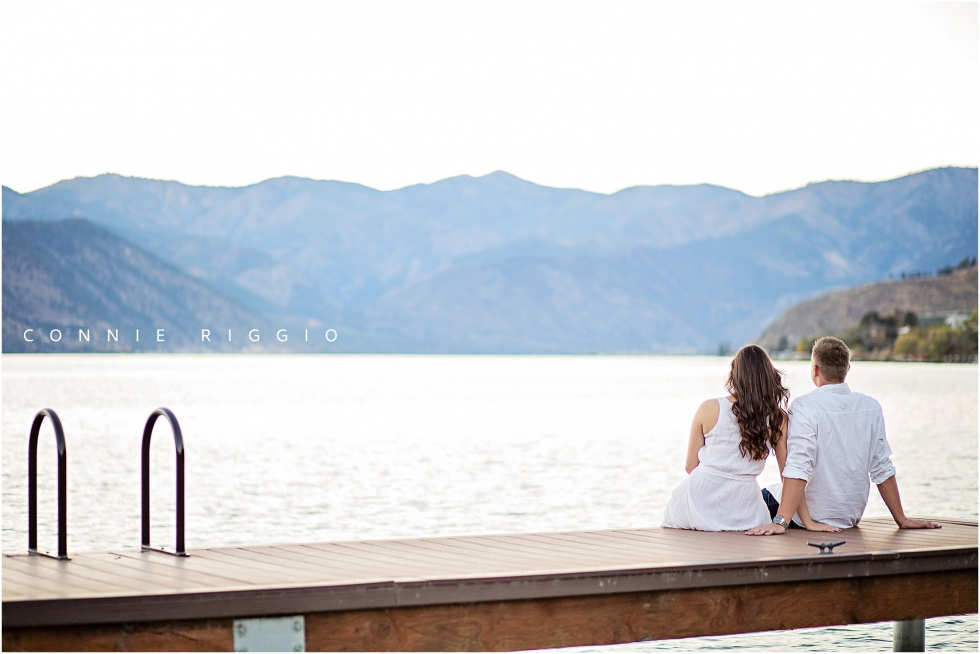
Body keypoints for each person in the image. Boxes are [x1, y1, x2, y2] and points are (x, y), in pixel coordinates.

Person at [747, 336, 941, 536]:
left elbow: (798, 466)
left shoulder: (805, 406)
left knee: (751, 500)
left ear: (815, 369)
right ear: (847, 369)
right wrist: (902, 519)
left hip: (804, 516)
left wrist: (781, 521)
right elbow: (882, 467)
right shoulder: (870, 407)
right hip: (848, 517)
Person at [662, 344, 830, 531]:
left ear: (735, 374)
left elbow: (690, 466)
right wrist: (806, 522)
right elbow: (788, 475)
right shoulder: (777, 418)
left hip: (697, 503)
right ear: (767, 375)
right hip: (745, 508)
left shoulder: (709, 408)